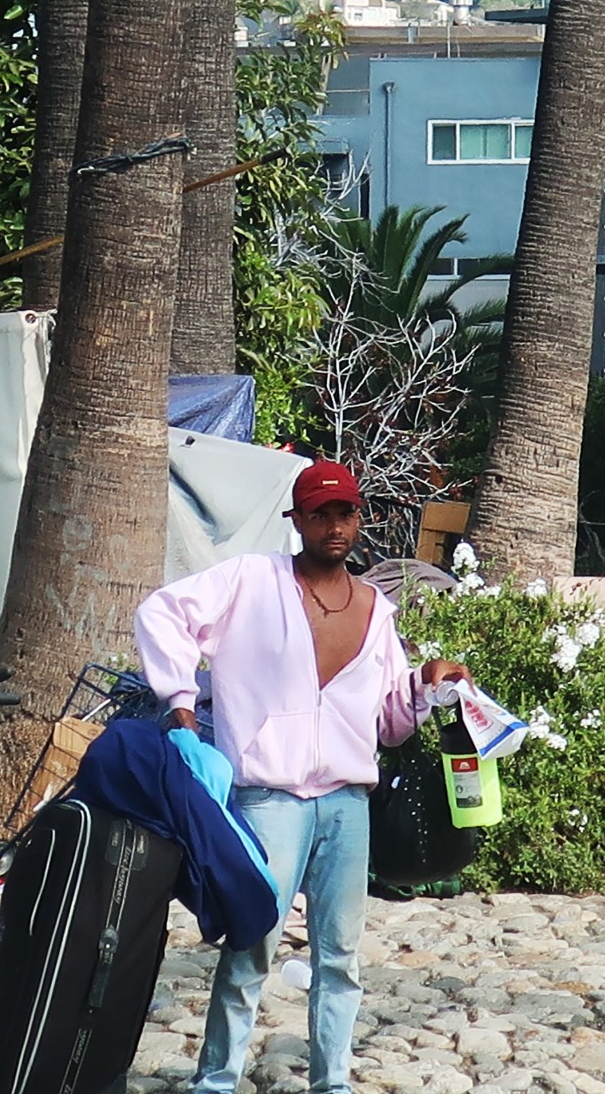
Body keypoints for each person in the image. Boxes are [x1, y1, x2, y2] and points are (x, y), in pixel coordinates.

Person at [135, 458, 469, 1094]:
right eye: (320, 513)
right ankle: (217, 1080)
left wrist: (428, 686)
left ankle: (332, 1082)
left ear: (359, 518)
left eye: (345, 512)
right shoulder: (252, 580)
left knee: (339, 956)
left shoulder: (376, 608)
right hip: (268, 797)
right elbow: (162, 612)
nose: (334, 525)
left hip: (347, 802)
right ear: (298, 521)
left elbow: (391, 723)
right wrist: (179, 702)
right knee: (250, 945)